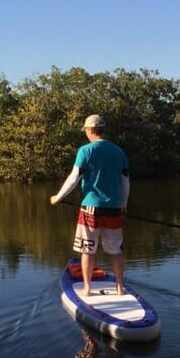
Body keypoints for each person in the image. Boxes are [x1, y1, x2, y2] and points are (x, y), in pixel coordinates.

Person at [50, 114, 130, 296]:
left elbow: (73, 178)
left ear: (90, 130)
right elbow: (126, 182)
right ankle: (119, 288)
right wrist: (123, 204)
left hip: (90, 208)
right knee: (115, 250)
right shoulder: (119, 152)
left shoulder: (85, 151)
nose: (85, 133)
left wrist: (58, 197)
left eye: (86, 130)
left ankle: (87, 289)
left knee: (88, 250)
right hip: (114, 209)